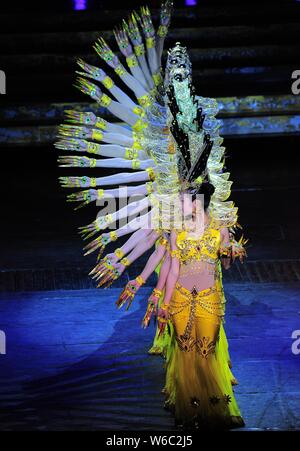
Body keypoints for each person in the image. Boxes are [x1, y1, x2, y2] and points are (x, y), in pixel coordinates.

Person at [55, 0, 247, 429]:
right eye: (174, 75)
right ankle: (190, 383)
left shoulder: (200, 127)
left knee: (205, 313)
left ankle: (209, 385)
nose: (180, 81)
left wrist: (220, 225)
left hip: (201, 209)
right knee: (178, 281)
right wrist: (141, 278)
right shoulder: (165, 146)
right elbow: (167, 248)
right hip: (172, 200)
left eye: (184, 76)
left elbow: (211, 189)